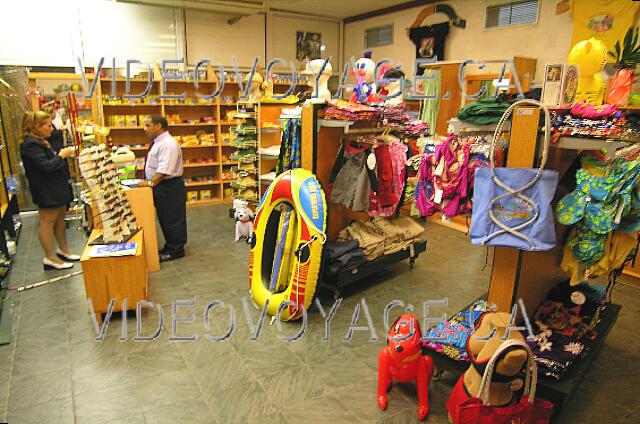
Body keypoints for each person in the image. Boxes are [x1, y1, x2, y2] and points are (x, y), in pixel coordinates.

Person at [20, 111, 78, 270]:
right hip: (46, 189)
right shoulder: (30, 145)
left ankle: (63, 250)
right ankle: (50, 257)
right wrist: (61, 156)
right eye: (47, 126)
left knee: (59, 218)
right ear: (36, 127)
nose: (51, 129)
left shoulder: (40, 141)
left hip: (55, 187)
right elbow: (46, 166)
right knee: (47, 221)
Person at [139, 114, 187, 261]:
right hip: (163, 186)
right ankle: (170, 245)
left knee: (172, 218)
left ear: (158, 126)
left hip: (169, 186)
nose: (144, 129)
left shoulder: (168, 144)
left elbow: (164, 169)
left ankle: (176, 250)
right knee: (166, 217)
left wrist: (150, 183)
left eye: (147, 125)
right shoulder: (159, 142)